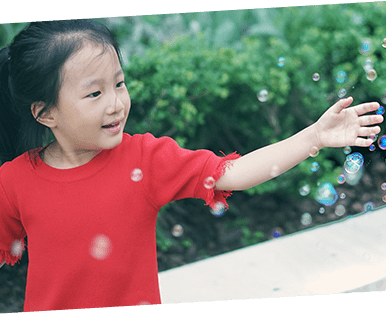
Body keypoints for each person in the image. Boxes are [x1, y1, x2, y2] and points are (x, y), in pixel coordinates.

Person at [0, 19, 383, 312]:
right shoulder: (14, 181)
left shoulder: (144, 159)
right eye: (95, 92)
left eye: (119, 83)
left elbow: (234, 173)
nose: (116, 103)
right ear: (45, 113)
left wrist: (314, 136)